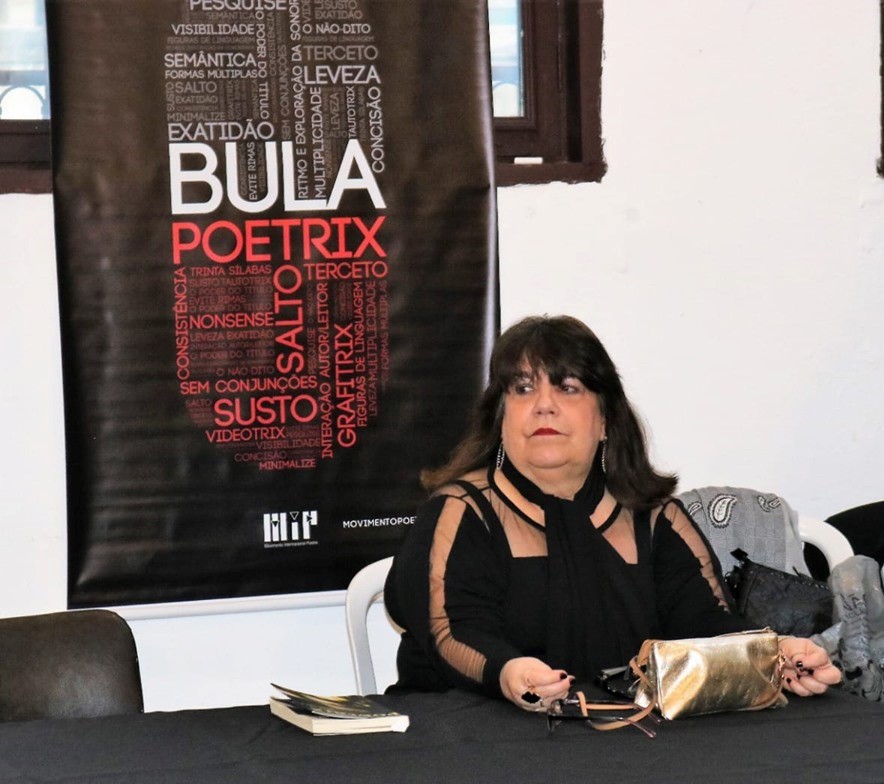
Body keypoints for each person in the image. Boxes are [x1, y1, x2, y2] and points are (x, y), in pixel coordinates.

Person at [384, 315, 841, 711]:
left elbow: (706, 625)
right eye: (523, 389)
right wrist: (509, 672)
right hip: (470, 732)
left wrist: (775, 656)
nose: (544, 405)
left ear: (604, 420)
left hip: (628, 735)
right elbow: (452, 634)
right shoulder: (460, 512)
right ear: (501, 420)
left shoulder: (655, 517)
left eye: (568, 387)